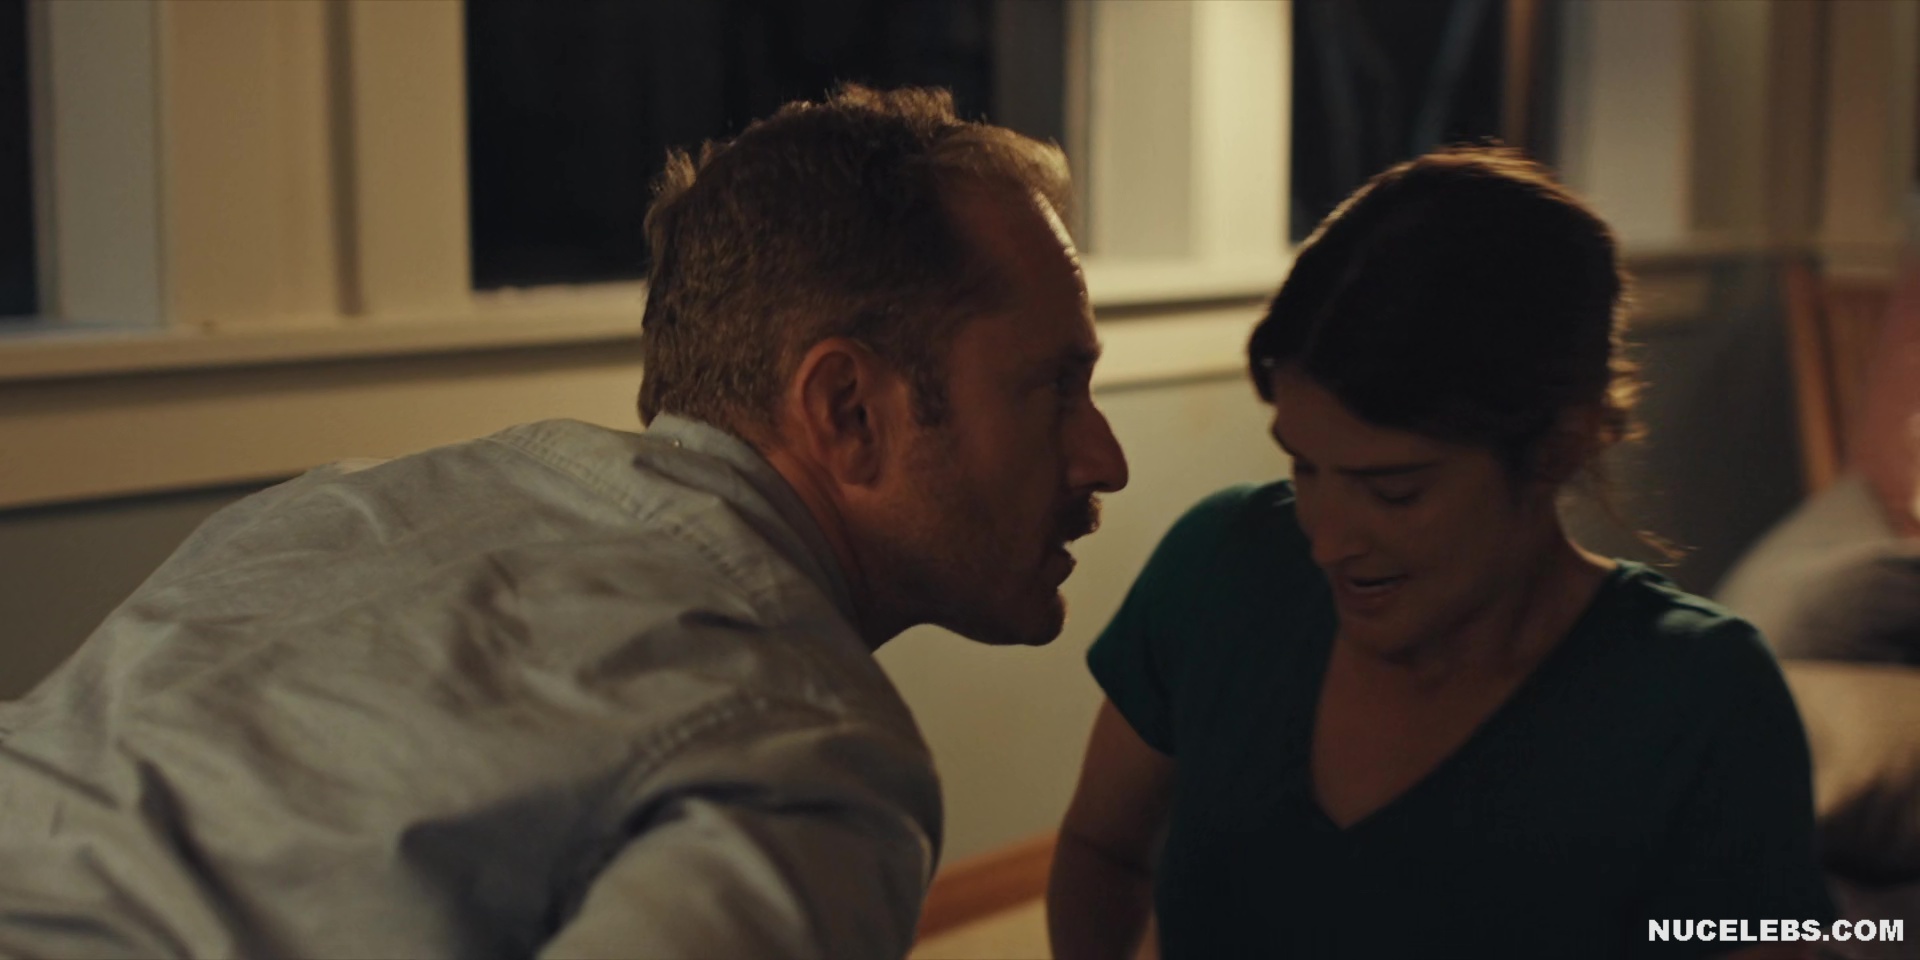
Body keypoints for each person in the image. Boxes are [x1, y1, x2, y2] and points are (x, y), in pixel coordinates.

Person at [0, 85, 1127, 959]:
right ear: (848, 411)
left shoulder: (335, 508)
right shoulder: (810, 756)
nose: (1104, 459)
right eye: (1055, 388)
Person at [1047, 148, 1833, 959]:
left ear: (1559, 445)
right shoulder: (1222, 566)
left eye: (1393, 491)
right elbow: (1104, 848)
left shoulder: (1703, 701)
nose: (1326, 539)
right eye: (1304, 468)